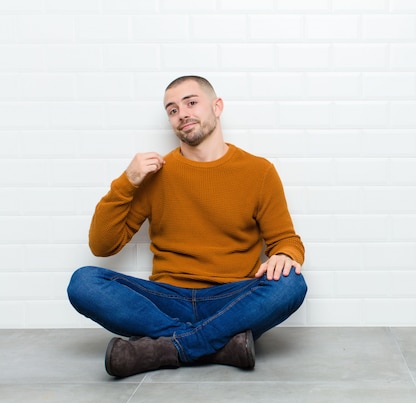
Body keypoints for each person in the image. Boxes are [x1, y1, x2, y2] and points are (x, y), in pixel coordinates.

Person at [67, 75, 307, 378]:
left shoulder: (258, 171)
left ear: (216, 107)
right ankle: (217, 345)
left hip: (232, 300)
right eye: (172, 110)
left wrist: (285, 254)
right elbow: (102, 246)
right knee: (83, 282)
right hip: (167, 299)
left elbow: (286, 239)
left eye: (191, 102)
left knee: (292, 283)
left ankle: (169, 347)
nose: (182, 114)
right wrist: (126, 181)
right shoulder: (154, 175)